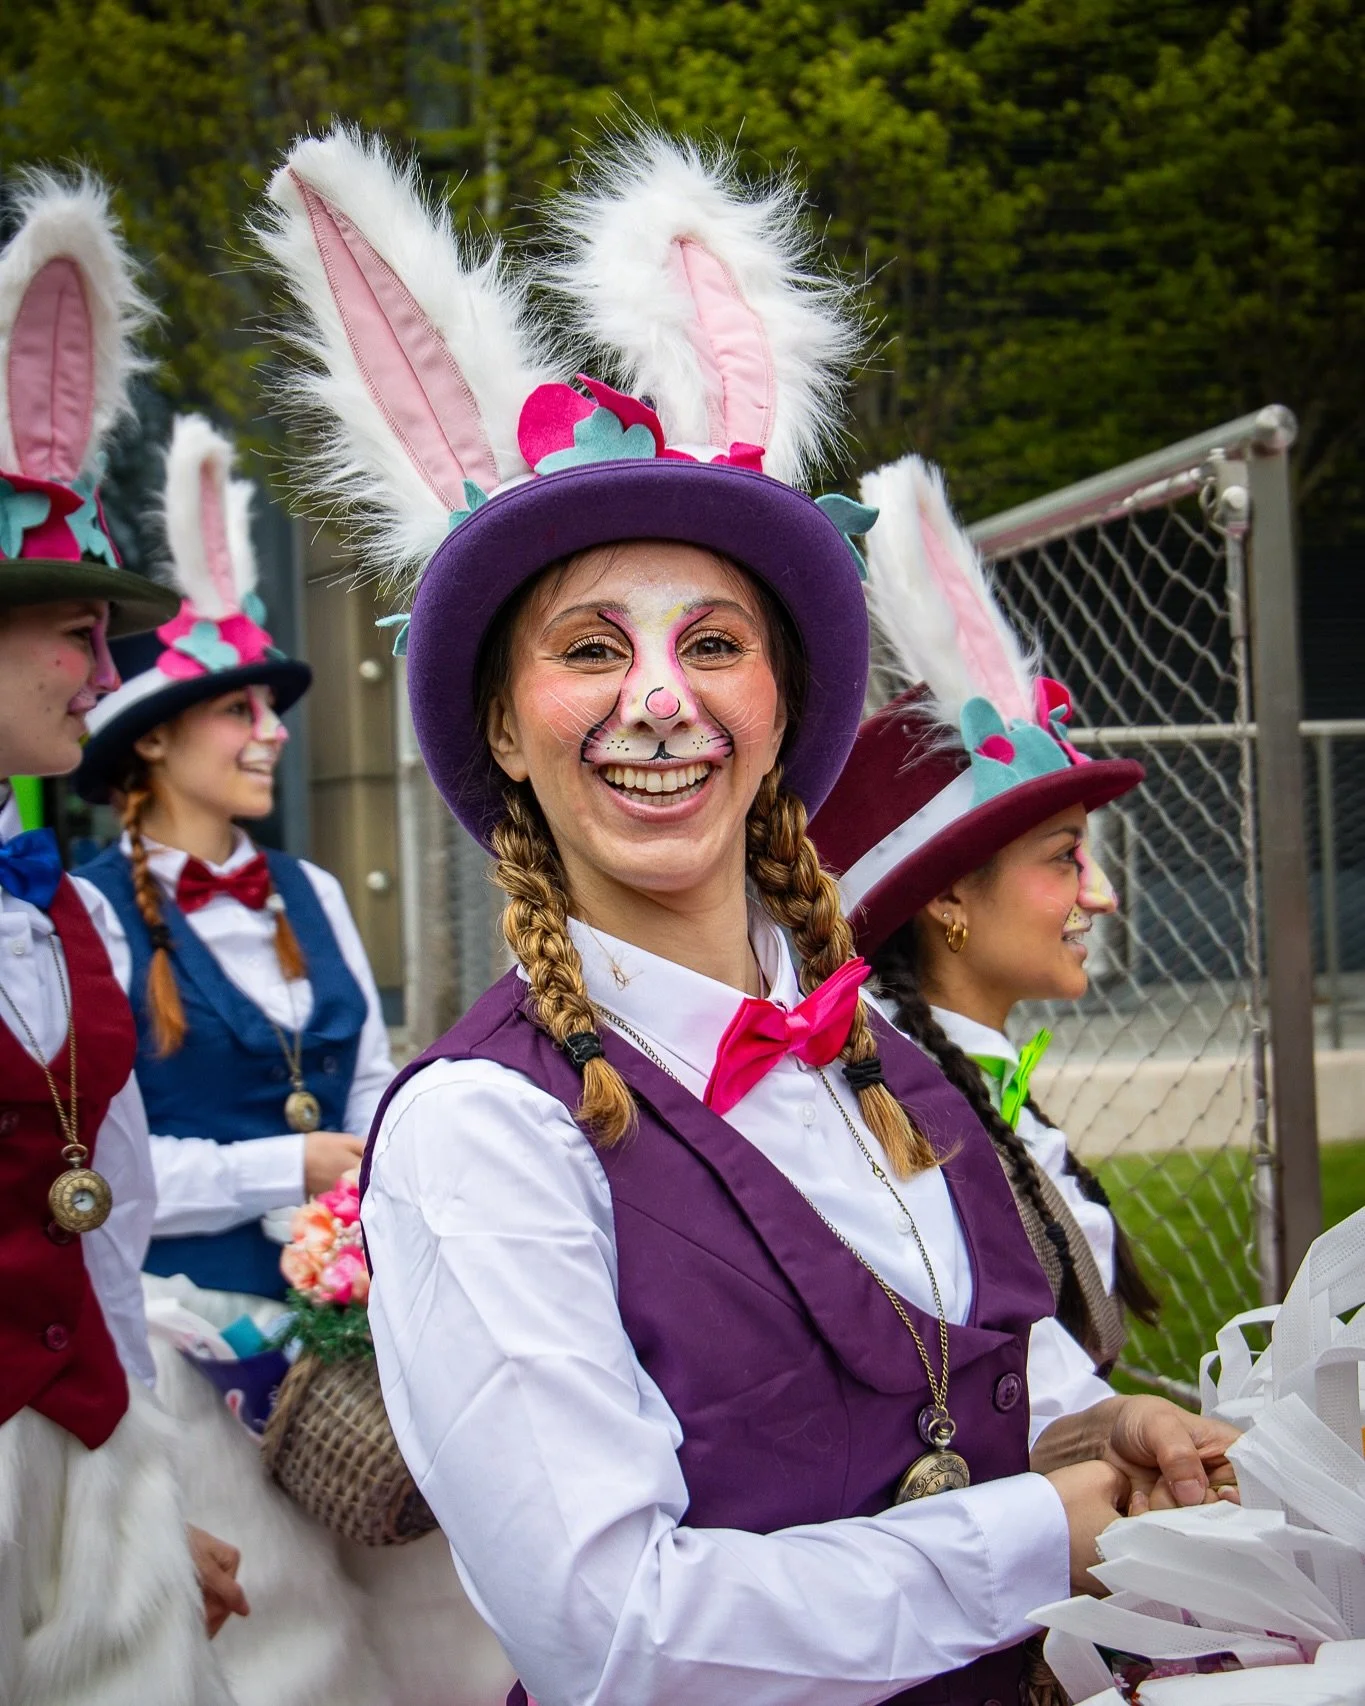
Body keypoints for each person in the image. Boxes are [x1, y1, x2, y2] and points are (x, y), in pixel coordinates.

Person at [261, 125, 1238, 1706]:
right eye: (588, 647)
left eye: (714, 641)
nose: (659, 699)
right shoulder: (481, 1133)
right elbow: (616, 1631)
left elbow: (986, 1364)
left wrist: (1091, 1421)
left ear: (781, 707)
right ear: (505, 726)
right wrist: (1026, 1539)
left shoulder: (882, 1047)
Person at [71, 414, 510, 1706]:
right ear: (150, 738)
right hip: (181, 1328)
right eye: (239, 710)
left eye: (271, 710)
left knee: (435, 1587)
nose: (270, 732)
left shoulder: (310, 887)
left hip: (345, 1326)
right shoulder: (89, 915)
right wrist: (296, 1161)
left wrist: (379, 1198)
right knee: (276, 1630)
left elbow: (371, 1092)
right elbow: (104, 1166)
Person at [0, 168, 243, 1704]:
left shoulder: (65, 910)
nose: (110, 662)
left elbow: (109, 1235)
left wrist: (144, 1514)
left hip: (88, 1473)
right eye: (74, 624)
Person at [810, 455, 1161, 1371]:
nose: (1101, 894)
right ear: (948, 896)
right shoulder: (896, 1115)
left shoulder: (950, 1072)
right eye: (1063, 858)